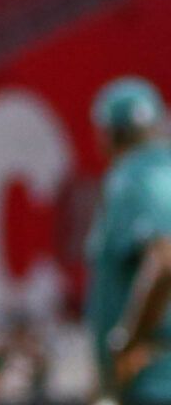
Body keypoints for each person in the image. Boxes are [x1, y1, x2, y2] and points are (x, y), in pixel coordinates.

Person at [87, 76, 171, 404]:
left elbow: (164, 259)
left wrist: (127, 342)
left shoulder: (132, 177)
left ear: (106, 134)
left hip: (154, 378)